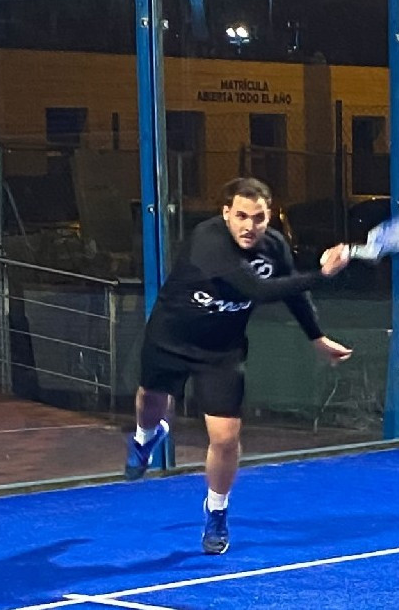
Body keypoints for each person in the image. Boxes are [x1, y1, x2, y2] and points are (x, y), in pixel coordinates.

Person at [125, 177, 352, 555]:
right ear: (226, 213)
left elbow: (294, 294)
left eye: (258, 218)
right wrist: (322, 274)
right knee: (151, 402)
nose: (249, 226)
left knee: (226, 438)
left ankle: (216, 512)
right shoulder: (207, 239)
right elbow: (256, 290)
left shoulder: (274, 247)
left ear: (269, 216)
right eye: (241, 216)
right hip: (170, 338)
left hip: (222, 351)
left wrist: (317, 337)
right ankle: (146, 437)